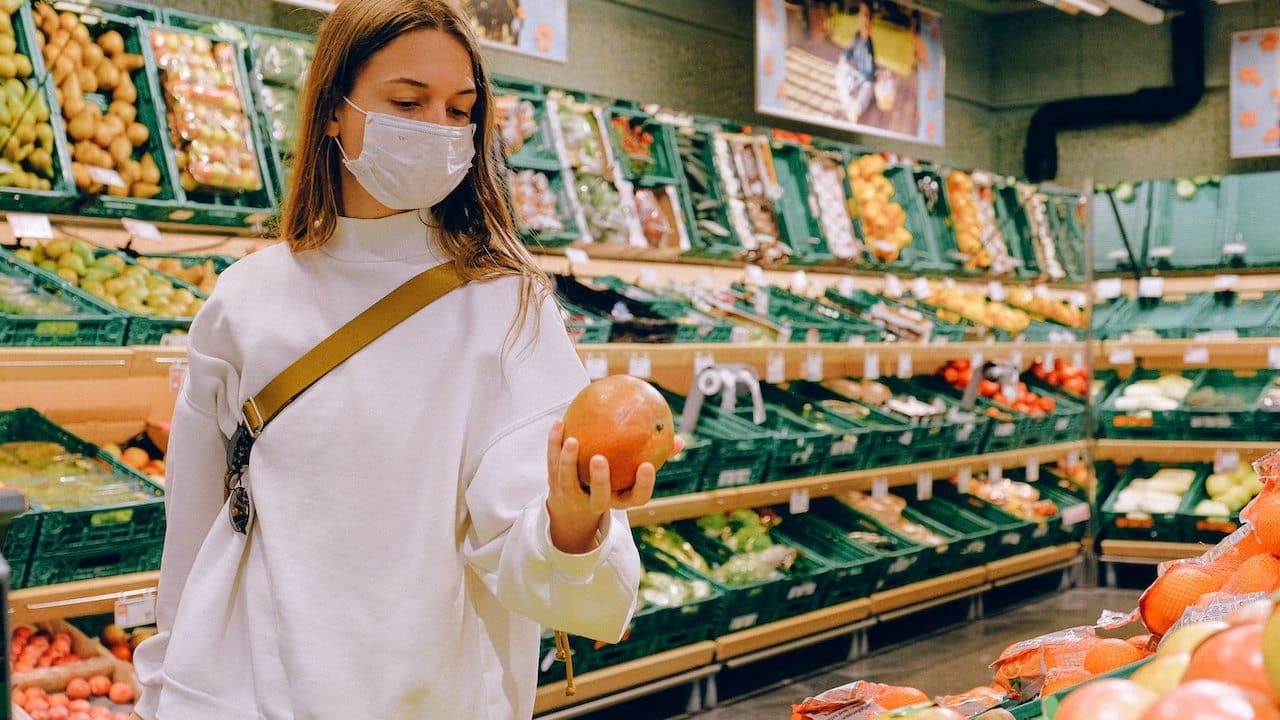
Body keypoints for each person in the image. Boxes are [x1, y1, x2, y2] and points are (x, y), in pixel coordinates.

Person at [129, 1, 677, 717]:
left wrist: (575, 522)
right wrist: (165, 682)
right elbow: (197, 523)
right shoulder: (246, 300)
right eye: (408, 102)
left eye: (459, 110)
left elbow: (548, 564)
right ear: (333, 109)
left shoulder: (509, 310)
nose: (439, 131)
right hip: (245, 693)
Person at [835, 2, 878, 124]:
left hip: (865, 78)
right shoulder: (857, 35)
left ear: (871, 24)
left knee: (868, 87)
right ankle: (848, 103)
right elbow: (850, 50)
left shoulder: (869, 44)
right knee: (841, 74)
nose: (863, 20)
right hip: (856, 74)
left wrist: (861, 80)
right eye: (861, 16)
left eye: (866, 17)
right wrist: (844, 57)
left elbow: (870, 72)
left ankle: (856, 108)